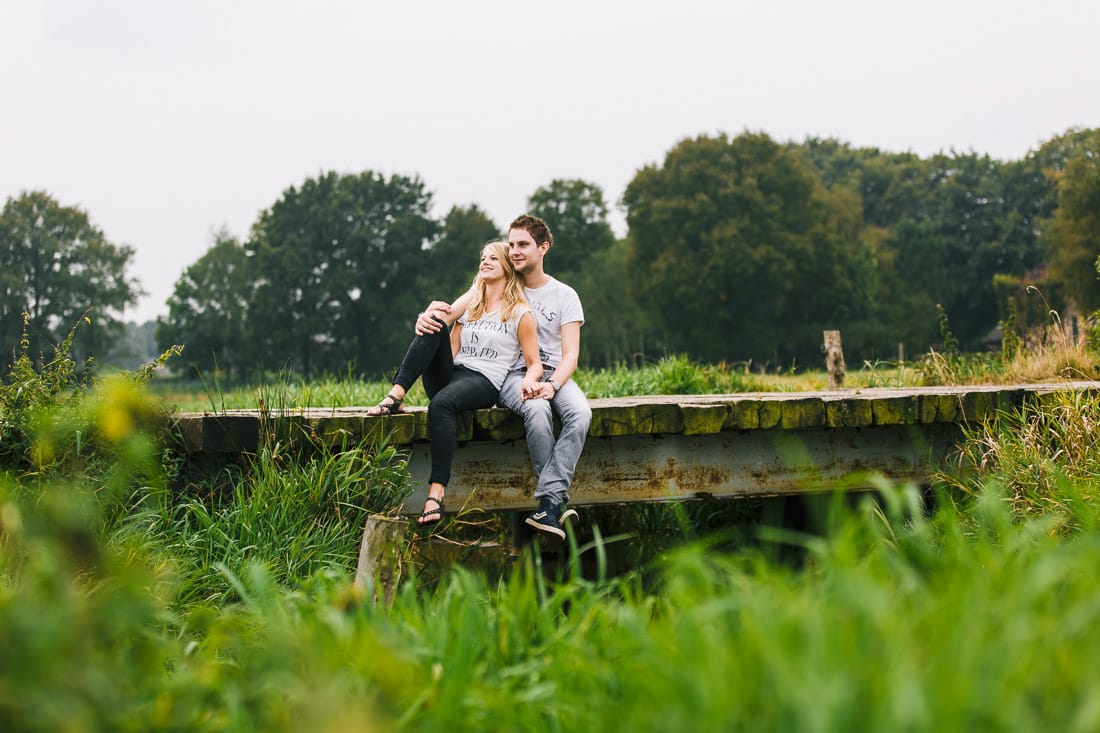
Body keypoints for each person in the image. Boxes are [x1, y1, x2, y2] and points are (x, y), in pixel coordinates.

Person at [417, 214, 592, 539]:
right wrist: (427, 316)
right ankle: (553, 503)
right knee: (536, 410)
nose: (514, 251)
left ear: (543, 248)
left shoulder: (565, 295)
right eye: (511, 244)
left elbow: (571, 356)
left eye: (523, 244)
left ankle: (550, 501)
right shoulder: (500, 284)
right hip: (513, 374)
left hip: (554, 374)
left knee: (581, 414)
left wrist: (552, 385)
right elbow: (449, 314)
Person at [369, 241, 542, 526]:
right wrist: (426, 317)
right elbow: (445, 335)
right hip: (455, 373)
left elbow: (534, 362)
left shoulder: (520, 313)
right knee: (434, 322)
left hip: (484, 380)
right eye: (482, 258)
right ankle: (396, 394)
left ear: (507, 267)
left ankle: (436, 494)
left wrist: (530, 381)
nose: (485, 262)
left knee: (441, 404)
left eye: (493, 258)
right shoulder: (472, 301)